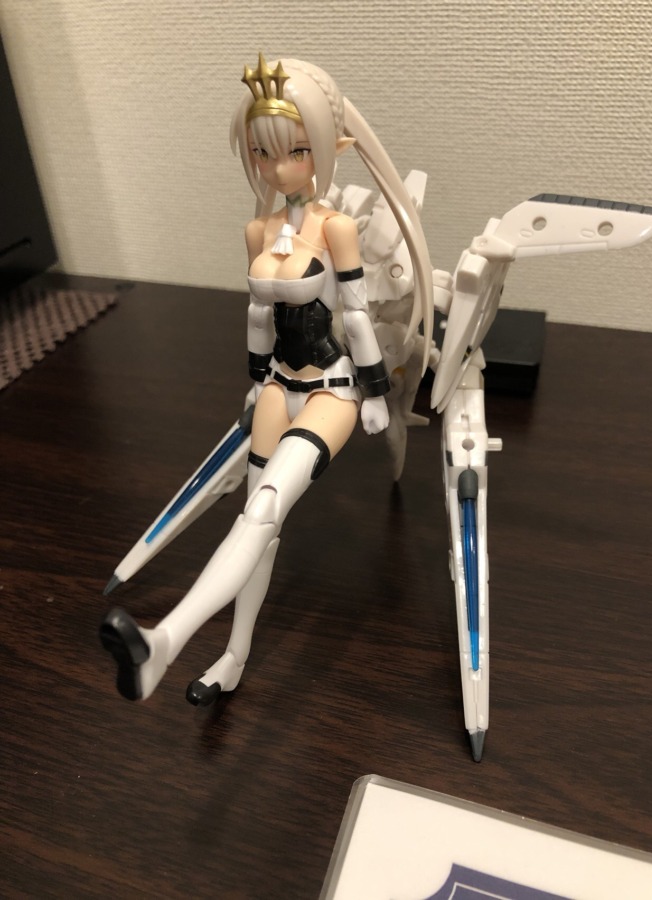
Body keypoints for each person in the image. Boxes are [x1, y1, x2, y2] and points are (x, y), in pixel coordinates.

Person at [100, 54, 434, 705]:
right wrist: (257, 380)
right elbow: (257, 316)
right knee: (258, 527)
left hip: (332, 389)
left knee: (261, 510)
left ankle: (163, 642)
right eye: (262, 153)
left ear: (327, 151)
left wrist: (374, 392)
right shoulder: (258, 229)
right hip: (278, 387)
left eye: (296, 152)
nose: (279, 170)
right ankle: (232, 655)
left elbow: (356, 315)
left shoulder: (336, 228)